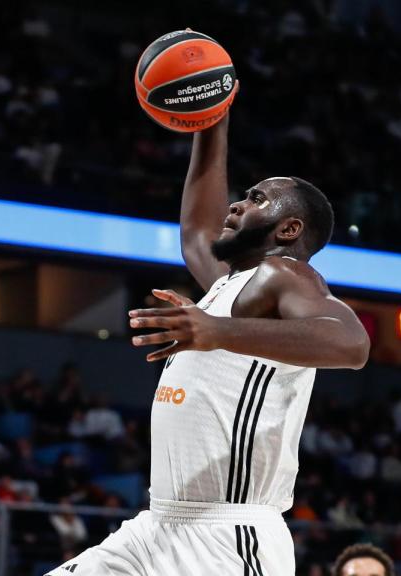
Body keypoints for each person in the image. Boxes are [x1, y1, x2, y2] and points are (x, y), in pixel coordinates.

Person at [49, 80, 369, 576]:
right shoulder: (231, 284)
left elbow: (351, 344)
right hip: (156, 526)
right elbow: (196, 232)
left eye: (258, 200)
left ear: (288, 230)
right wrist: (211, 119)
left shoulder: (284, 276)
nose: (238, 205)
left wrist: (214, 332)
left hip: (228, 536)